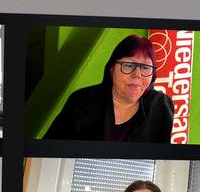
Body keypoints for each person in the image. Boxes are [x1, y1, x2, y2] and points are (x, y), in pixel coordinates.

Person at [43, 35, 174, 142]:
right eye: (128, 65)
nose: (137, 75)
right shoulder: (81, 101)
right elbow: (48, 149)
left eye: (145, 67)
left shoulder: (161, 105)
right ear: (112, 69)